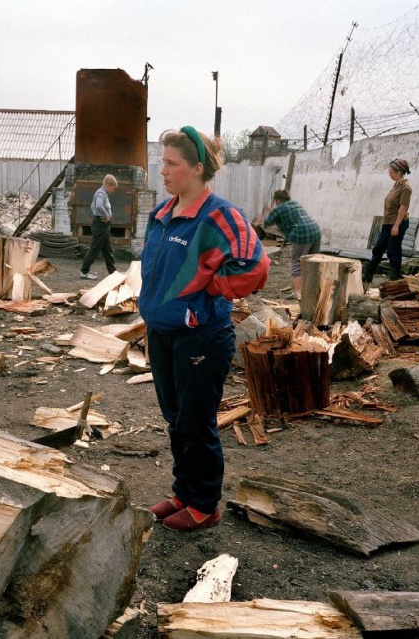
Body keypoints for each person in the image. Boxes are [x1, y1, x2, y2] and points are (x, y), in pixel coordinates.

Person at [139, 126, 270, 531]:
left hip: (201, 337)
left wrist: (213, 289)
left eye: (171, 164)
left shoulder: (219, 216)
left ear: (196, 169)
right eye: (162, 162)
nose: (162, 171)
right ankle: (183, 491)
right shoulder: (161, 214)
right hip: (161, 334)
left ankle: (205, 503)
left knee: (197, 422)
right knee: (176, 418)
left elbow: (255, 265)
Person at [261, 189, 321, 299]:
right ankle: (313, 292)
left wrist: (266, 213)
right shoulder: (294, 203)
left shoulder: (278, 209)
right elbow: (291, 220)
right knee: (312, 263)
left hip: (302, 233)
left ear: (277, 200)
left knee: (296, 262)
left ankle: (299, 294)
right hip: (315, 231)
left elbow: (266, 223)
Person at [363, 158, 413, 283]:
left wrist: (396, 225)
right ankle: (367, 276)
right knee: (378, 249)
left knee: (393, 251)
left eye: (391, 172)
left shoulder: (405, 188)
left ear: (399, 172)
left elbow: (403, 207)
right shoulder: (396, 185)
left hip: (397, 223)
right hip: (388, 223)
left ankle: (393, 279)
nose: (389, 174)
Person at [79, 173, 117, 279]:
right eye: (113, 187)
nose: (113, 190)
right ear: (109, 185)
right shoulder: (101, 193)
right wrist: (105, 215)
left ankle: (113, 272)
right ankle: (84, 272)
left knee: (107, 249)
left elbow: (92, 206)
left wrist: (104, 216)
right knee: (95, 248)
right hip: (100, 224)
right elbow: (98, 206)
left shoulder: (102, 194)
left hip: (103, 224)